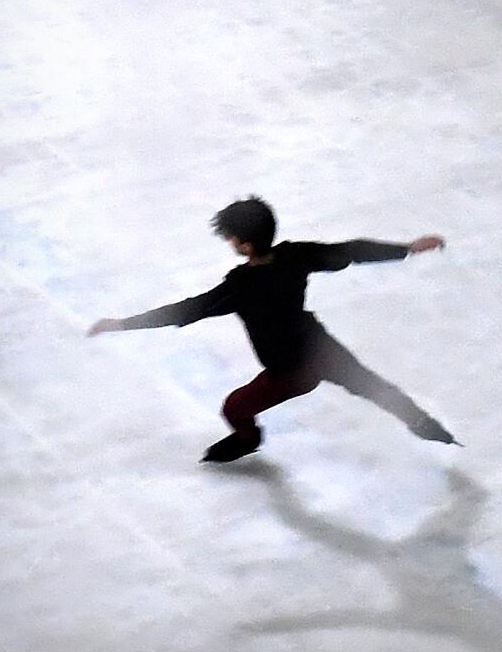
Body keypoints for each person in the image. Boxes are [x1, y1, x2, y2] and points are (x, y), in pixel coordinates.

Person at [89, 196, 458, 463]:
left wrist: (122, 324)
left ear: (245, 244)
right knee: (373, 386)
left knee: (235, 408)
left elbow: (187, 310)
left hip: (289, 374)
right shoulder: (294, 255)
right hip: (319, 348)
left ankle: (248, 440)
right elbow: (349, 251)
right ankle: (425, 425)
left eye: (231, 237)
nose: (230, 242)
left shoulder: (240, 286)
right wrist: (406, 248)